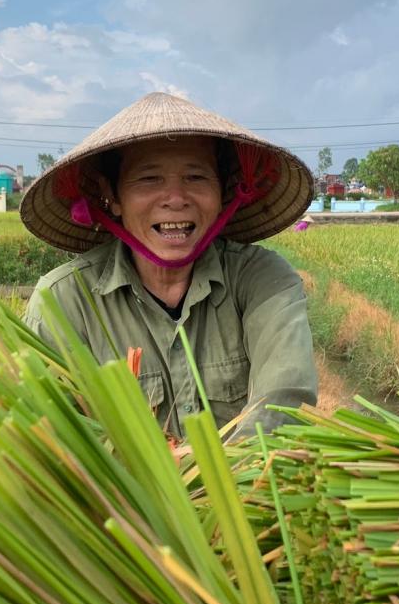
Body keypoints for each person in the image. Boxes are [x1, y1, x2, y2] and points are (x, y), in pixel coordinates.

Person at [20, 92, 318, 441]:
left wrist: (217, 482)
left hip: (247, 488)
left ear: (223, 192)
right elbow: (45, 432)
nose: (176, 199)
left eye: (196, 177)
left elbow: (282, 405)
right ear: (112, 197)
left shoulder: (262, 280)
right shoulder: (64, 302)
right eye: (149, 179)